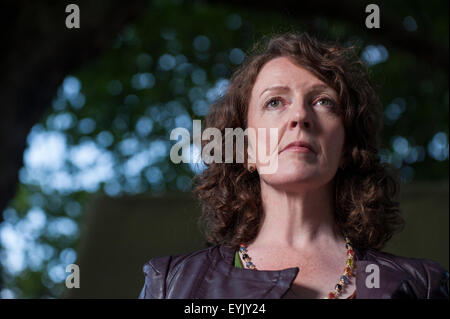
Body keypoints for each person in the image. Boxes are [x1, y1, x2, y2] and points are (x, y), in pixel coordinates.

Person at [138, 32, 449, 299]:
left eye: (323, 101)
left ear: (345, 148)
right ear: (246, 150)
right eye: (275, 102)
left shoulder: (423, 285)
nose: (300, 116)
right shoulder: (171, 285)